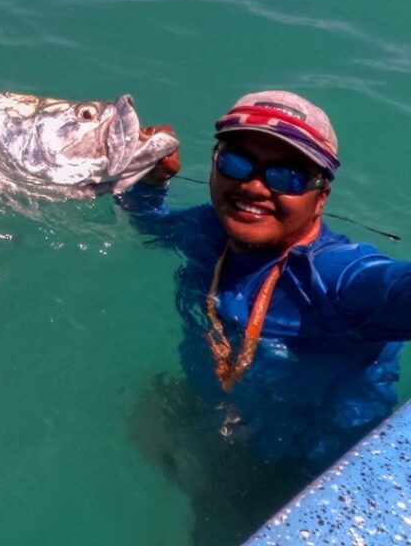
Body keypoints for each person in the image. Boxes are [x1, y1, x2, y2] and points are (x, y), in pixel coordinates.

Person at [121, 92, 411, 545]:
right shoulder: (207, 230)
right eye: (237, 162)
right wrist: (150, 180)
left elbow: (394, 288)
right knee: (149, 411)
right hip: (229, 421)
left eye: (287, 176)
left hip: (310, 468)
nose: (254, 187)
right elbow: (151, 225)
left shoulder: (338, 278)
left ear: (321, 196)